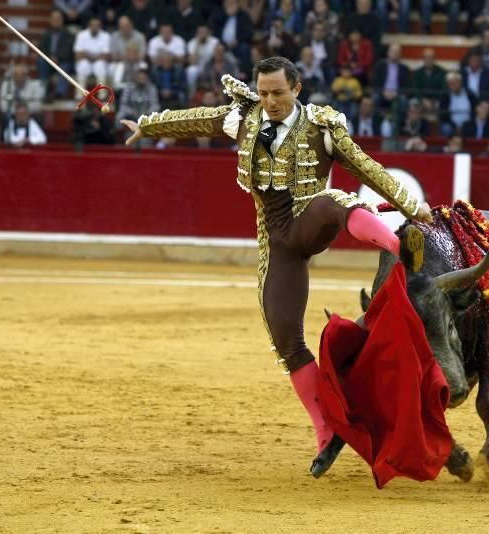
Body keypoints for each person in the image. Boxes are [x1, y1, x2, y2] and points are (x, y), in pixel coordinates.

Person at [119, 56, 432, 478]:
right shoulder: (244, 117)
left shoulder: (322, 127)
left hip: (309, 218)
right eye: (264, 92)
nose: (269, 101)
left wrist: (413, 207)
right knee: (283, 334)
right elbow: (197, 120)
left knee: (334, 203)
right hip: (276, 240)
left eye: (278, 93)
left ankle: (399, 246)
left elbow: (365, 167)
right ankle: (326, 431)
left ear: (297, 89)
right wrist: (147, 127)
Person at [39, 10, 75, 100]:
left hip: (63, 61)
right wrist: (49, 57)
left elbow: (68, 50)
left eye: (58, 18)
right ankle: (44, 90)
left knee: (64, 66)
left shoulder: (68, 34)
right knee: (41, 61)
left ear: (62, 20)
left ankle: (60, 93)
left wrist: (56, 57)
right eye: (54, 19)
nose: (56, 20)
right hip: (48, 60)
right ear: (50, 20)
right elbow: (42, 48)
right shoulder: (46, 34)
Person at [74, 16, 111, 85]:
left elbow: (106, 56)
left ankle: (102, 95)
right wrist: (95, 56)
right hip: (85, 61)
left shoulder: (106, 36)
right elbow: (77, 55)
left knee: (101, 66)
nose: (94, 27)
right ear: (89, 26)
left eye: (97, 25)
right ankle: (79, 94)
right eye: (93, 25)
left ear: (100, 26)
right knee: (83, 66)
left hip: (99, 62)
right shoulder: (81, 35)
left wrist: (87, 54)